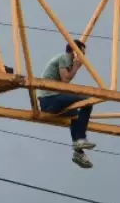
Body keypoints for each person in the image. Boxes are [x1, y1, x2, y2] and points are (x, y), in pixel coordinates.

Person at [38, 39, 96, 169]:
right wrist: (76, 66)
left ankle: (78, 152)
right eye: (81, 54)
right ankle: (80, 139)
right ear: (75, 52)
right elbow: (65, 80)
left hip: (50, 100)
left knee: (75, 115)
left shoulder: (66, 62)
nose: (83, 58)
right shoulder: (63, 58)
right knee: (87, 101)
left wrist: (74, 67)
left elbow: (64, 82)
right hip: (49, 99)